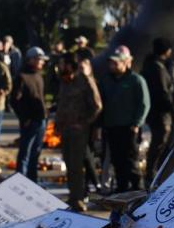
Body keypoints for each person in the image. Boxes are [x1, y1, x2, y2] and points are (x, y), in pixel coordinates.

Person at [55, 53, 102, 212]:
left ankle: (79, 198)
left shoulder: (84, 80)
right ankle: (73, 196)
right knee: (68, 164)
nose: (60, 67)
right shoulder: (64, 81)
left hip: (78, 131)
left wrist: (84, 123)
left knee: (76, 165)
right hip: (65, 129)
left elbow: (97, 106)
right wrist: (57, 124)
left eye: (63, 64)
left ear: (70, 65)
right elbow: (61, 104)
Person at [100, 45, 150, 192]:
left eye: (116, 62)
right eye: (111, 62)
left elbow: (144, 104)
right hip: (111, 126)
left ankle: (137, 190)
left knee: (131, 161)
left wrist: (137, 124)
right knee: (116, 161)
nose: (112, 65)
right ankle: (121, 189)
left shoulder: (136, 80)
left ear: (125, 63)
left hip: (129, 128)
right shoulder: (106, 81)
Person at [12, 47, 49, 181]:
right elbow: (15, 100)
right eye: (40, 60)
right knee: (25, 154)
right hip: (30, 121)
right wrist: (24, 117)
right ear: (31, 59)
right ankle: (20, 181)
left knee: (36, 153)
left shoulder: (39, 76)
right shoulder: (22, 77)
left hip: (41, 120)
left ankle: (33, 182)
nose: (42, 63)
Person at [141, 37, 174, 179]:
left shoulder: (150, 65)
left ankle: (155, 174)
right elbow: (163, 93)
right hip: (161, 114)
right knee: (160, 144)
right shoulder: (158, 68)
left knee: (160, 144)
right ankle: (152, 175)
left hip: (156, 113)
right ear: (166, 51)